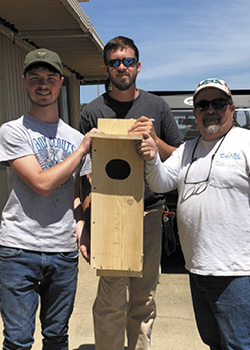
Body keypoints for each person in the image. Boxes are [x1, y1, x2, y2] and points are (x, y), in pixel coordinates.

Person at [78, 36, 183, 350]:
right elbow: (83, 171)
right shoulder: (92, 111)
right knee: (110, 298)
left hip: (150, 213)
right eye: (114, 62)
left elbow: (177, 156)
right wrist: (85, 220)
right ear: (106, 68)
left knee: (143, 297)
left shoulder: (157, 106)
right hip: (109, 214)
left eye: (127, 61)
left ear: (138, 66)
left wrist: (154, 137)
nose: (121, 67)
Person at [137, 78, 250, 350]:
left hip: (237, 271)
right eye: (202, 105)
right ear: (195, 113)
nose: (209, 110)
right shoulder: (188, 149)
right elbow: (161, 183)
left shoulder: (246, 143)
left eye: (218, 103)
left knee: (239, 344)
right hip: (198, 267)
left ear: (231, 109)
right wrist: (152, 157)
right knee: (213, 341)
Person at [0, 48, 98, 350]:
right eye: (35, 78)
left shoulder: (73, 135)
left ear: (61, 83)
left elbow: (84, 189)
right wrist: (81, 151)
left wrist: (84, 226)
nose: (43, 84)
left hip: (63, 251)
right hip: (18, 249)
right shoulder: (12, 131)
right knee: (18, 340)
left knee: (57, 337)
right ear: (25, 82)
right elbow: (41, 183)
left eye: (50, 78)